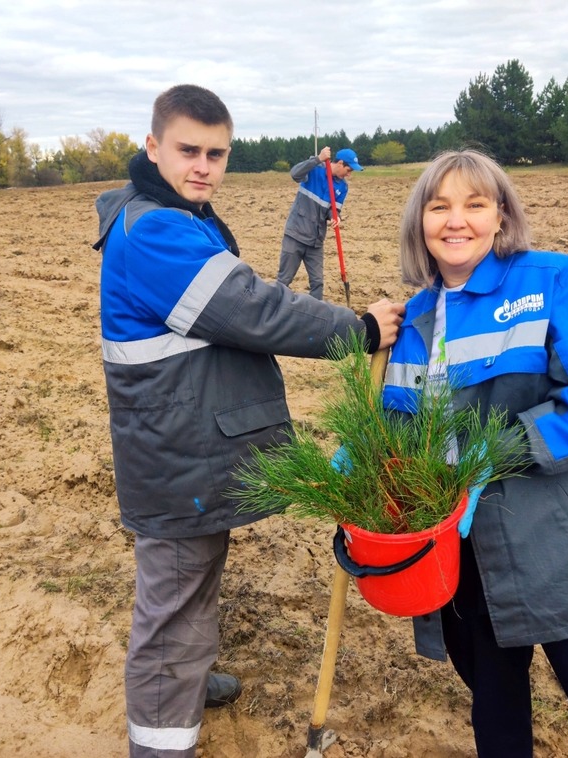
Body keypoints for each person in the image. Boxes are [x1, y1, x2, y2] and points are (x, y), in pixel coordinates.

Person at [92, 84, 404, 758]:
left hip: (185, 446)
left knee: (192, 580)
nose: (202, 166)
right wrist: (358, 328)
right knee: (172, 605)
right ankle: (160, 738)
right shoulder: (155, 231)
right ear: (153, 147)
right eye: (187, 150)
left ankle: (190, 674)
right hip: (176, 458)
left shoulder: (171, 215)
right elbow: (255, 308)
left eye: (216, 153)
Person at [383, 148, 568, 757]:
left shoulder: (559, 282)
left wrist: (488, 454)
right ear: (421, 222)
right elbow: (401, 426)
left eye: (475, 203)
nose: (456, 220)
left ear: (501, 215)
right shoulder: (414, 321)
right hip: (465, 555)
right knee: (496, 721)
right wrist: (369, 468)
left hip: (567, 548)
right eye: (439, 206)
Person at [276, 145, 362, 300]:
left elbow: (334, 210)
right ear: (341, 163)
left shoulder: (342, 187)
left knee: (317, 283)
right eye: (349, 170)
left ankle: (315, 316)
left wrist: (335, 218)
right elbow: (294, 174)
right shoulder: (314, 169)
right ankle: (273, 311)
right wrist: (318, 159)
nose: (349, 175)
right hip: (295, 235)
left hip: (316, 241)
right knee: (284, 280)